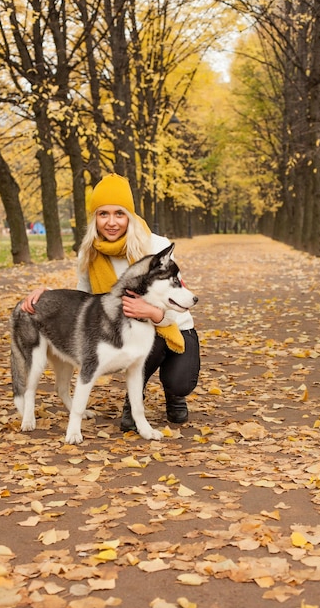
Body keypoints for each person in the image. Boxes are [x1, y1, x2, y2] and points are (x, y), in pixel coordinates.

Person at [21, 173, 200, 430]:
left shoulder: (155, 246)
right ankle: (134, 400)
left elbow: (177, 304)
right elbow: (84, 297)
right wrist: (48, 295)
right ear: (95, 218)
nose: (112, 222)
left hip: (174, 326)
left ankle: (174, 393)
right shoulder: (90, 251)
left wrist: (152, 312)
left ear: (130, 215)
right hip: (130, 328)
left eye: (119, 213)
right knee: (135, 336)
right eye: (103, 214)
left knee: (179, 381)